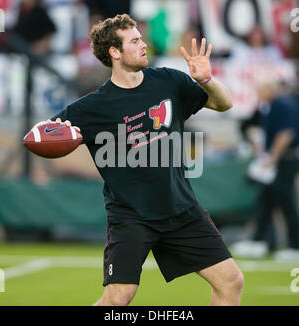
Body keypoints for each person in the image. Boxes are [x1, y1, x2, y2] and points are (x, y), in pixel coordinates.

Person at [33, 14, 243, 306]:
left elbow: (224, 103)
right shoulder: (92, 106)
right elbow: (38, 135)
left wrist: (206, 80)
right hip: (131, 216)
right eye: (134, 41)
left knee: (231, 281)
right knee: (118, 298)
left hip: (181, 208)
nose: (144, 45)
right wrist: (48, 137)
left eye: (141, 38)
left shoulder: (169, 80)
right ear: (115, 52)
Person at [233, 77, 299, 260]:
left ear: (270, 89)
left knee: (286, 200)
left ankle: (295, 245)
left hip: (285, 159)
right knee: (266, 199)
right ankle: (259, 241)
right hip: (275, 159)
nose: (258, 94)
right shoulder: (267, 106)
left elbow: (286, 134)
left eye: (260, 90)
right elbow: (250, 125)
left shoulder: (282, 104)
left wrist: (272, 158)